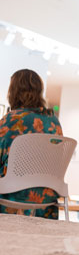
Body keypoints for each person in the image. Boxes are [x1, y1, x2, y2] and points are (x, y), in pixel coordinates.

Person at [0, 69, 63, 219]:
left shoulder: (10, 120)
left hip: (13, 192)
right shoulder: (54, 122)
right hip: (46, 195)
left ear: (13, 92)